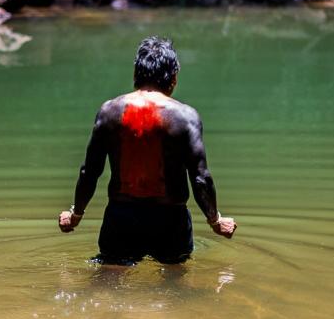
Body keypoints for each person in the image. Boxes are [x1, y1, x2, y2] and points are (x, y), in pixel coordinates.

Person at [57, 36, 236, 264]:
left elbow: (89, 171)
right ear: (173, 78)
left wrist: (76, 215)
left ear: (135, 75)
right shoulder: (184, 117)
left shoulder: (109, 112)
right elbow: (200, 178)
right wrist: (215, 221)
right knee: (174, 288)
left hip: (121, 218)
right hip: (170, 220)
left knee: (109, 282)